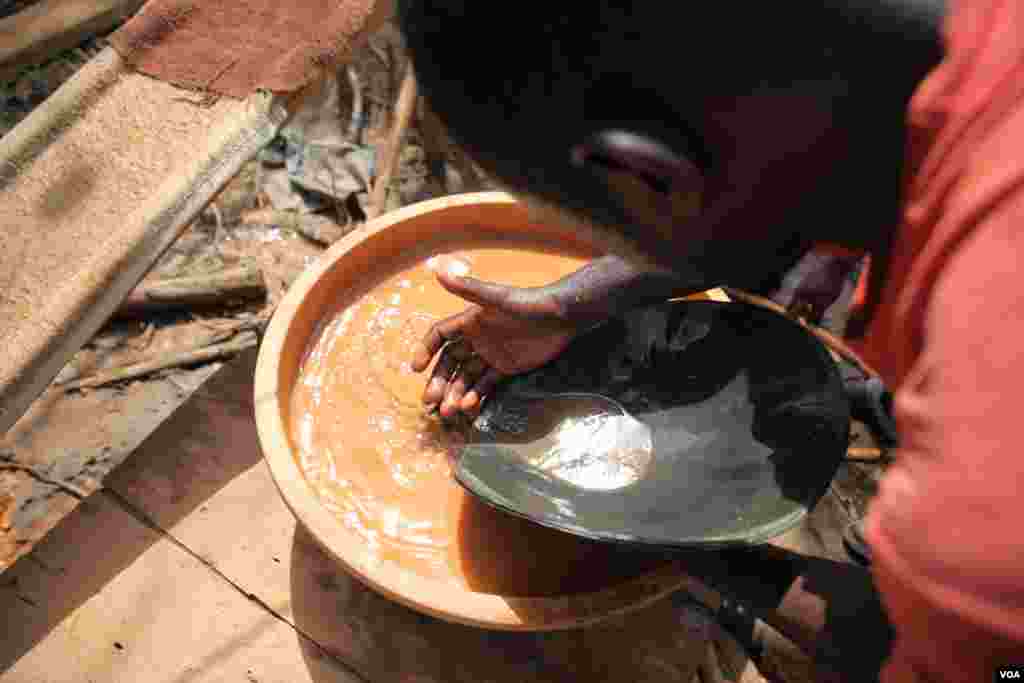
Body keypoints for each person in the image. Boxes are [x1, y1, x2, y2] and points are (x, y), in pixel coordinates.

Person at [396, 0, 1024, 681]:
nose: (620, 249)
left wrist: (679, 539)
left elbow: (927, 652)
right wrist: (571, 305)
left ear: (652, 178)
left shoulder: (982, 512)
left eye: (612, 226)